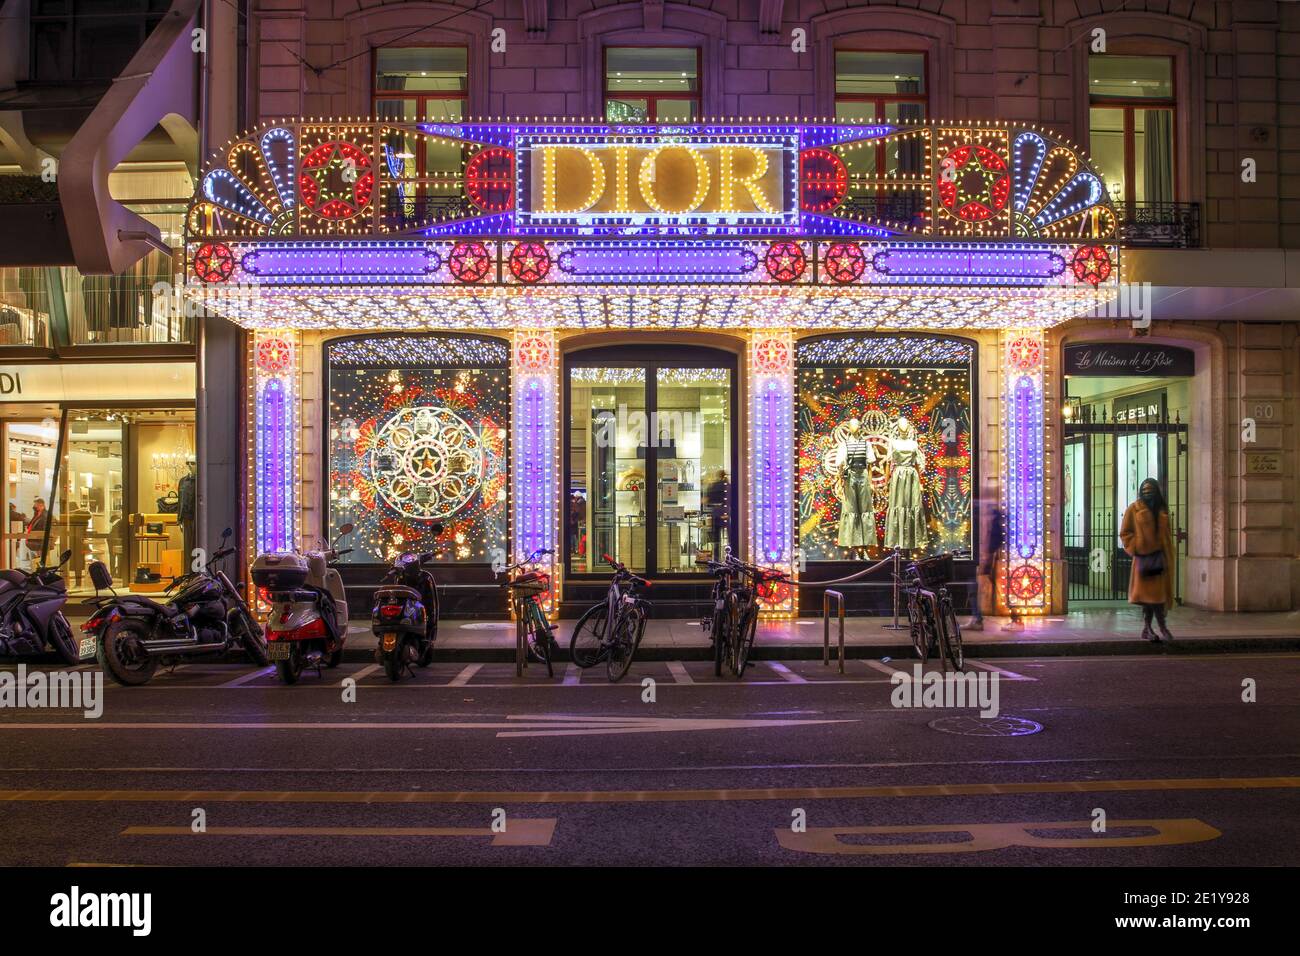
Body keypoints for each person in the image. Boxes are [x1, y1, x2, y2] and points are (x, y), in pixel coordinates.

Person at [1120, 477, 1176, 642]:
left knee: (1157, 597)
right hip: (1143, 559)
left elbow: (1167, 534)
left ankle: (1151, 628)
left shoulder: (1162, 509)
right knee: (1148, 598)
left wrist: (1167, 554)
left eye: (1150, 489)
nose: (1147, 492)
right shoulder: (1134, 509)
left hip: (1159, 558)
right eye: (1144, 489)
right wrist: (1137, 546)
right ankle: (1156, 627)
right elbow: (1125, 533)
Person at [705, 469, 729, 557]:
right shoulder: (728, 485)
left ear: (719, 476)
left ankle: (716, 558)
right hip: (727, 513)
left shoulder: (714, 486)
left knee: (716, 540)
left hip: (716, 514)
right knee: (730, 538)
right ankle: (730, 558)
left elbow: (707, 500)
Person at [23, 497, 48, 565]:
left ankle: (40, 566)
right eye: (35, 505)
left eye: (36, 505)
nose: (35, 507)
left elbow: (44, 529)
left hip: (39, 539)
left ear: (41, 505)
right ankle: (38, 566)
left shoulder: (45, 515)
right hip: (34, 539)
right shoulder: (37, 514)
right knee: (37, 557)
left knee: (40, 556)